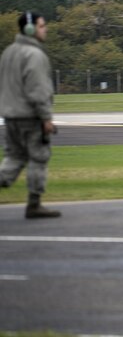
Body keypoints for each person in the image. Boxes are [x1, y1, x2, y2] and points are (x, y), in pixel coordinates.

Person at [0, 12, 61, 218]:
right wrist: (46, 118)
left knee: (13, 158)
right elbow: (38, 90)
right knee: (38, 157)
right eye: (42, 26)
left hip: (10, 117)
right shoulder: (34, 55)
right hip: (30, 117)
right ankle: (34, 204)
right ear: (30, 29)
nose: (46, 29)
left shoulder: (8, 52)